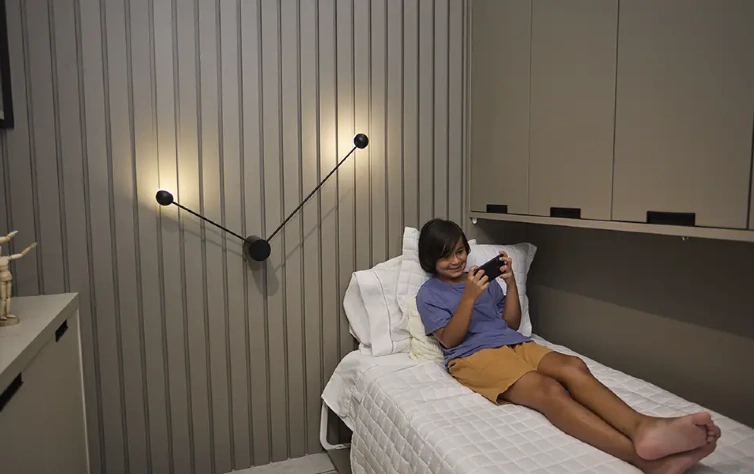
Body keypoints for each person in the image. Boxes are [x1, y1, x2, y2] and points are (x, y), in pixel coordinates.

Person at [415, 218, 720, 474]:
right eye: (445, 256)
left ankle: (643, 427)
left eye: (459, 251)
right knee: (549, 390)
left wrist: (510, 284)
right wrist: (469, 297)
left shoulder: (482, 280)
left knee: (573, 367)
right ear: (431, 260)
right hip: (472, 356)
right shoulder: (429, 293)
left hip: (512, 342)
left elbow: (510, 324)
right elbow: (449, 339)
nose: (456, 261)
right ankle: (642, 459)